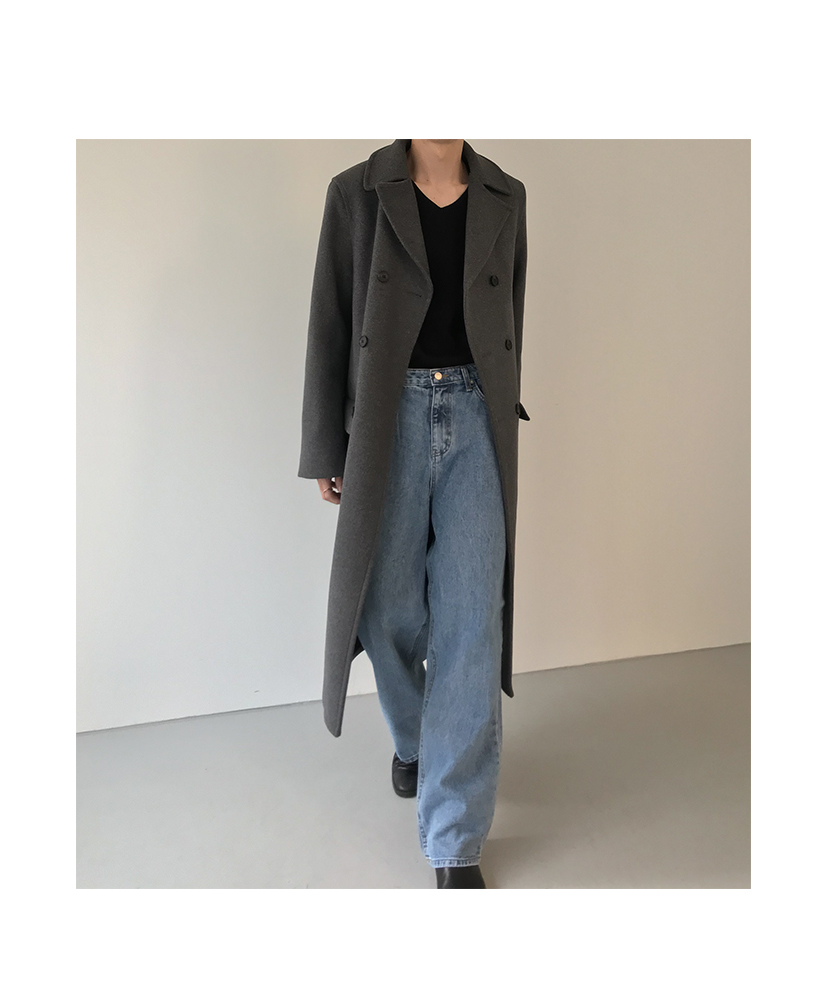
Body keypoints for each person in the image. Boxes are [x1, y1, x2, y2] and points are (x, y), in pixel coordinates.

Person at [301, 139, 528, 889]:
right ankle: (417, 739)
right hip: (385, 420)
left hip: (475, 419)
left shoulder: (506, 196)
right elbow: (330, 320)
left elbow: (508, 323)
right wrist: (326, 444)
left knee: (471, 622)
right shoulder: (356, 193)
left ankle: (454, 838)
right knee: (384, 608)